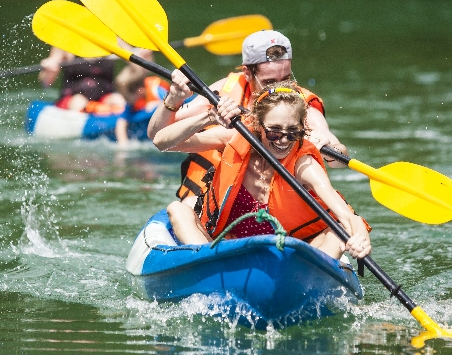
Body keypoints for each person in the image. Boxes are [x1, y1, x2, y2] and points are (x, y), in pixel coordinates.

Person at [152, 82, 371, 261]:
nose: (283, 140)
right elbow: (161, 141)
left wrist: (360, 238)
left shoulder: (304, 164)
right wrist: (209, 117)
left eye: (292, 132)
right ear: (258, 125)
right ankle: (209, 267)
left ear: (302, 129)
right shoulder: (236, 139)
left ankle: (308, 283)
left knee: (337, 232)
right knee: (178, 209)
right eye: (274, 132)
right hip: (226, 251)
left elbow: (346, 216)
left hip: (288, 259)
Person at [147, 30, 347, 206]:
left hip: (273, 196)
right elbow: (158, 135)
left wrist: (330, 149)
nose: (279, 89)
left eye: (285, 79)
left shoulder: (300, 102)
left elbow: (339, 159)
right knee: (189, 205)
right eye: (269, 81)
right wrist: (173, 99)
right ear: (247, 72)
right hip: (214, 188)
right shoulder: (221, 92)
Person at [39, 47, 126, 113]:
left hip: (103, 99)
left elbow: (134, 63)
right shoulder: (65, 40)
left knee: (118, 99)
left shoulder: (113, 39)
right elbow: (46, 83)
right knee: (78, 101)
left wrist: (138, 55)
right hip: (72, 99)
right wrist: (50, 71)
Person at [113, 58, 170, 145]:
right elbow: (121, 122)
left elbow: (171, 101)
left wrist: (158, 104)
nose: (124, 100)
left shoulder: (155, 89)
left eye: (126, 97)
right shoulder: (131, 103)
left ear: (140, 91)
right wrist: (123, 143)